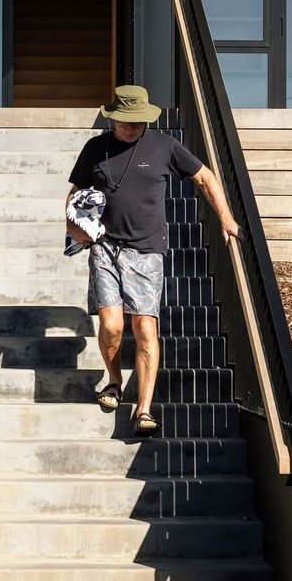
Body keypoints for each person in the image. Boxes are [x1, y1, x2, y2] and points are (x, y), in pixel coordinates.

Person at [65, 84, 240, 435]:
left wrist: (226, 218)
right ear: (113, 118)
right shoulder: (95, 148)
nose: (133, 127)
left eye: (139, 122)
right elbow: (74, 195)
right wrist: (73, 228)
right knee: (112, 325)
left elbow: (205, 177)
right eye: (127, 122)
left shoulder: (164, 146)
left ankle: (143, 409)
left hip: (146, 250)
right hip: (105, 247)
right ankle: (114, 382)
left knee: (144, 326)